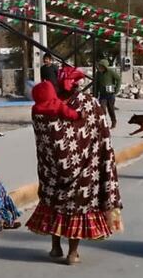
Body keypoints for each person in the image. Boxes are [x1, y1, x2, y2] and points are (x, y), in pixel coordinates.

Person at [27, 66, 123, 265]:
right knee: (77, 210)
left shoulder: (42, 105)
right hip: (85, 172)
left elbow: (45, 135)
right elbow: (100, 133)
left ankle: (55, 247)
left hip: (52, 172)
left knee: (55, 206)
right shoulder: (89, 103)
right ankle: (72, 253)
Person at [94, 59, 122, 129]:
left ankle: (114, 121)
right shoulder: (97, 74)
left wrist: (116, 89)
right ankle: (103, 123)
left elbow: (118, 79)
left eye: (102, 67)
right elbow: (96, 84)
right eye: (99, 66)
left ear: (105, 67)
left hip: (110, 94)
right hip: (102, 95)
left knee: (111, 109)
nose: (100, 68)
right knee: (102, 109)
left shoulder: (110, 72)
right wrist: (95, 94)